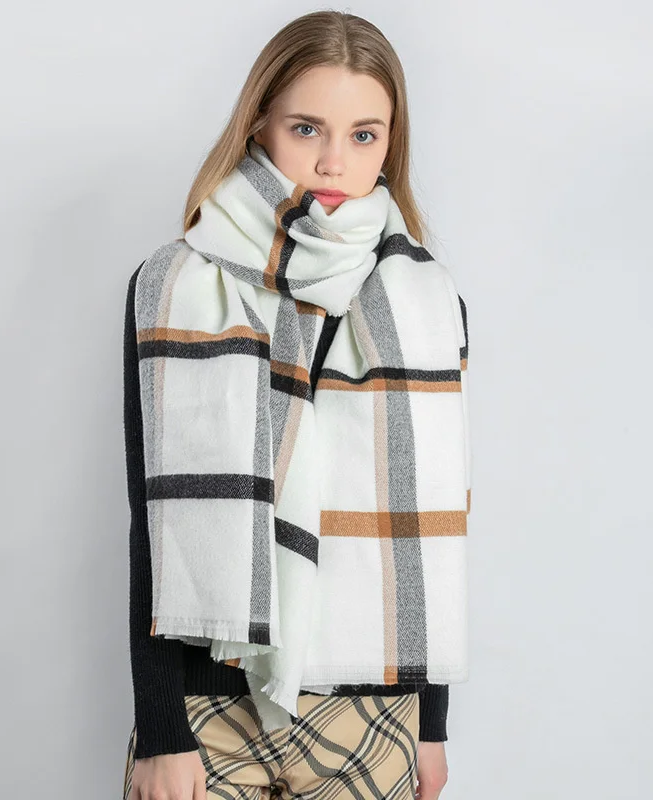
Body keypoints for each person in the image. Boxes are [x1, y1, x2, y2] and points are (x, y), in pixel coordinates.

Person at [122, 10, 471, 800]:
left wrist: (432, 724)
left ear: (390, 143)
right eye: (307, 127)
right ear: (259, 124)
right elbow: (152, 517)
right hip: (209, 713)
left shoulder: (427, 304)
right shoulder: (173, 285)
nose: (333, 161)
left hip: (372, 711)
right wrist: (162, 728)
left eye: (363, 135)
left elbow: (433, 516)